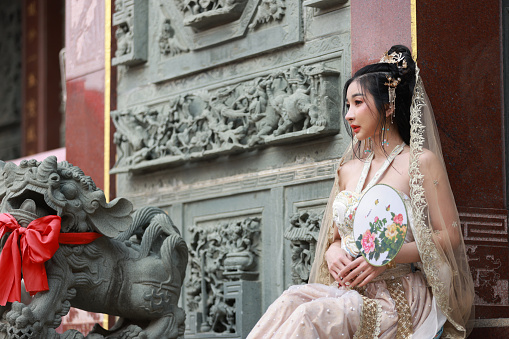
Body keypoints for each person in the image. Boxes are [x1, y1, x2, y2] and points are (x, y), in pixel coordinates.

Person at [247, 45, 474, 338]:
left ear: (389, 106)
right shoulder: (349, 169)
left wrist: (385, 258)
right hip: (349, 289)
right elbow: (339, 237)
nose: (349, 114)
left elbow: (450, 234)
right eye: (347, 105)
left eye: (358, 103)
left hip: (398, 294)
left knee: (309, 314)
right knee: (290, 299)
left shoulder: (419, 162)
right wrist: (332, 252)